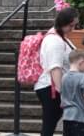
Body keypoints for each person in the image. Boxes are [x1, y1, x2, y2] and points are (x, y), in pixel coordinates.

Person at [34, 8, 79, 136]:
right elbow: (55, 68)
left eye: (75, 25)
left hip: (51, 88)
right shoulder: (55, 41)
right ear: (63, 23)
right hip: (51, 88)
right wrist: (62, 92)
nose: (73, 29)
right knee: (49, 125)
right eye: (71, 25)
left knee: (50, 123)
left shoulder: (60, 37)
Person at [61, 49, 84, 136]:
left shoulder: (64, 77)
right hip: (80, 117)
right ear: (81, 62)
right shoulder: (82, 77)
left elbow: (62, 95)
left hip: (67, 117)